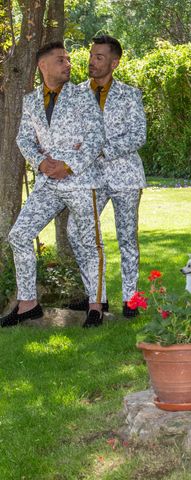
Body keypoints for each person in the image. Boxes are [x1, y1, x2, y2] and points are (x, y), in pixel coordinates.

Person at [0, 41, 106, 328]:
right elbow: (24, 139)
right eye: (61, 60)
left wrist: (68, 164)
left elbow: (97, 137)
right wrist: (41, 163)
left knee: (89, 242)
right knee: (19, 236)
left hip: (82, 181)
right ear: (42, 66)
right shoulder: (31, 101)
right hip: (48, 183)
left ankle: (96, 306)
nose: (68, 64)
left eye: (69, 59)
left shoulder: (84, 96)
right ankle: (28, 304)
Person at [67, 35, 147, 317]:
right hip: (88, 180)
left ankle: (130, 300)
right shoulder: (74, 94)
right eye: (91, 55)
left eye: (99, 57)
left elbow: (138, 135)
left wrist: (101, 149)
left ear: (114, 62)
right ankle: (96, 297)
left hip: (125, 176)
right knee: (76, 232)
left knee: (127, 238)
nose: (92, 61)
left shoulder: (130, 94)